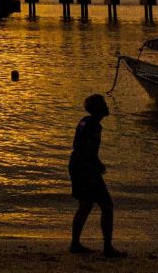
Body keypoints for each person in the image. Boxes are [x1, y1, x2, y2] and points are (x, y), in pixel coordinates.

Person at [69, 94, 126, 257]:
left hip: (77, 164)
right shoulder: (94, 126)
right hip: (85, 168)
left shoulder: (84, 121)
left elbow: (78, 145)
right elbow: (87, 149)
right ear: (99, 109)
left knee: (85, 205)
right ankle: (107, 247)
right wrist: (95, 163)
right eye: (104, 104)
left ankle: (75, 243)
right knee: (106, 205)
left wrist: (96, 162)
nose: (107, 107)